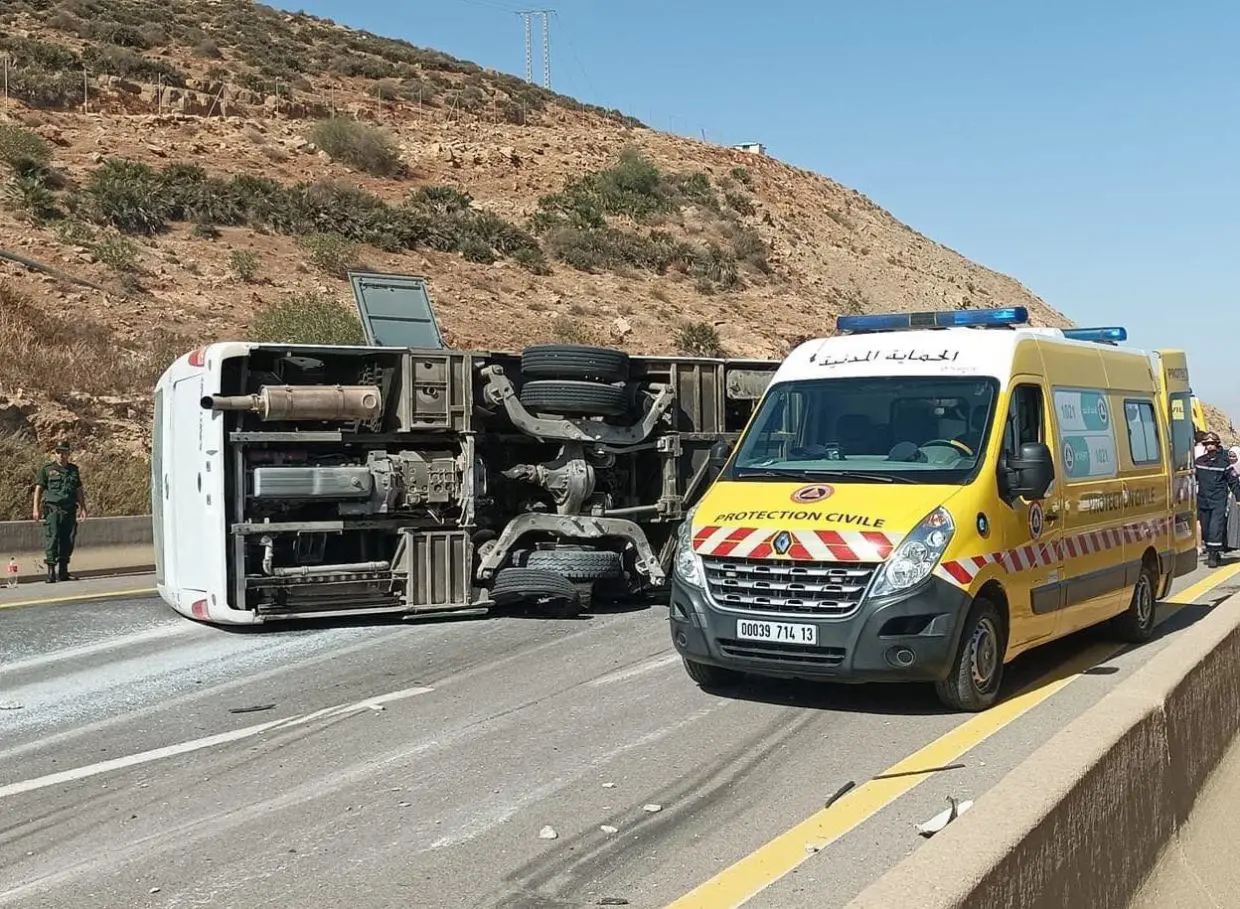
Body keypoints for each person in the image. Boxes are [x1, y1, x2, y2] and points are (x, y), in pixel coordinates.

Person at [31, 441, 88, 583]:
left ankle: (63, 572)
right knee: (52, 538)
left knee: (68, 540)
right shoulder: (47, 470)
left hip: (69, 510)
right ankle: (51, 573)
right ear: (55, 454)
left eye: (64, 452)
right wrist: (35, 509)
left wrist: (83, 508)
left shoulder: (73, 470)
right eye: (58, 452)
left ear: (68, 453)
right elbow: (39, 489)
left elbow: (78, 490)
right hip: (53, 509)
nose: (61, 455)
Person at [1194, 432, 1240, 568]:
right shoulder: (1199, 462)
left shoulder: (1224, 463)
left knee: (1215, 527)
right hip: (1203, 500)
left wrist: (1238, 497)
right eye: (1207, 444)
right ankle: (1214, 550)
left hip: (1218, 501)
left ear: (1217, 444)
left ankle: (1212, 555)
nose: (1209, 446)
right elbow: (1193, 479)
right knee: (1206, 529)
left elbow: (1233, 482)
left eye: (1212, 443)